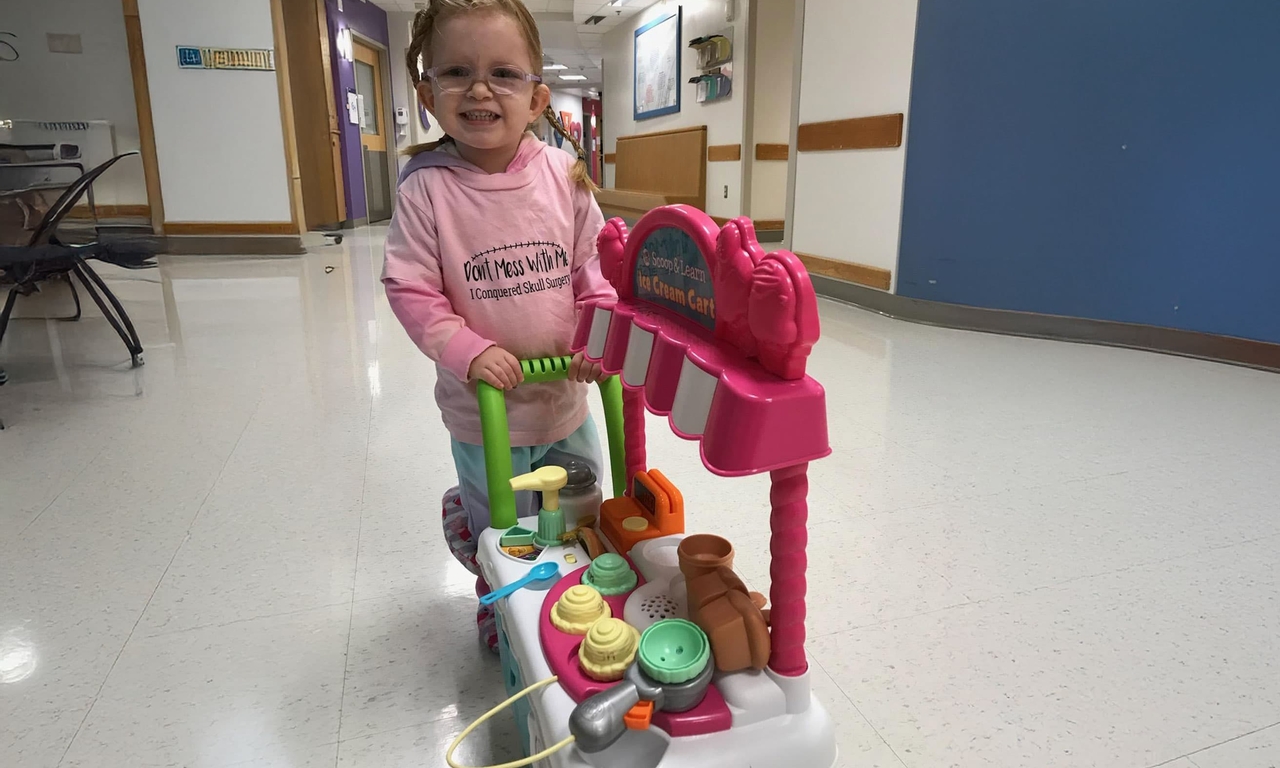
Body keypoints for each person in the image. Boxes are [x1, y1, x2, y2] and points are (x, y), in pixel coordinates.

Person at [382, 0, 615, 652]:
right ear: (429, 94)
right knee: (502, 526)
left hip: (564, 397)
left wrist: (598, 336)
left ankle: (579, 598)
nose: (480, 88)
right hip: (484, 407)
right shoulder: (425, 190)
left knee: (582, 510)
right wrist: (467, 349)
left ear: (537, 96)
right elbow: (411, 287)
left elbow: (593, 270)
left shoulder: (562, 177)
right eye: (457, 71)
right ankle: (499, 596)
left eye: (504, 73)